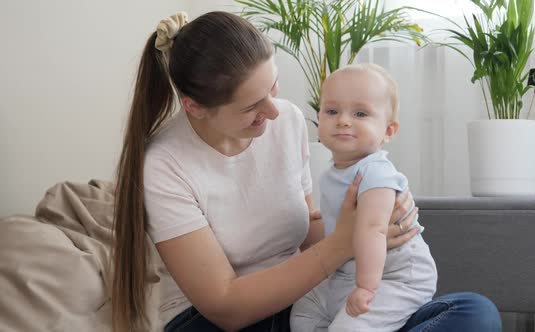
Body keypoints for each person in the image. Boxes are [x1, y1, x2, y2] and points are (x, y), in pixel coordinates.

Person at [110, 10, 502, 332]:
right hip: (228, 320)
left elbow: (310, 225)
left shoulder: (287, 121)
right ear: (195, 106)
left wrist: (375, 228)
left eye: (273, 88)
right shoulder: (164, 164)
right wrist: (345, 242)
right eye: (251, 107)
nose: (274, 112)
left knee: (475, 314)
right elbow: (225, 305)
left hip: (306, 296)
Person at [290, 64, 437, 332]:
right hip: (347, 270)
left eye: (360, 113)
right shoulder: (333, 172)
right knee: (303, 314)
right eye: (332, 111)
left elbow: (373, 229)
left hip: (394, 276)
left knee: (349, 329)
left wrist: (366, 287)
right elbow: (341, 227)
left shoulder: (375, 172)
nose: (343, 120)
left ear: (388, 131)